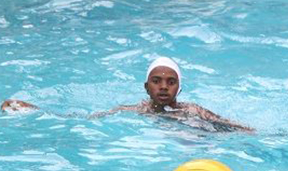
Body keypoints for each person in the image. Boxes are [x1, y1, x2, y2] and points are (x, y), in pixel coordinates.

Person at [2, 57, 253, 132]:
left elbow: (230, 126)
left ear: (179, 88)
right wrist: (36, 110)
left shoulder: (192, 111)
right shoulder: (132, 111)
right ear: (146, 87)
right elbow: (86, 120)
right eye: (157, 81)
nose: (163, 87)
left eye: (171, 82)